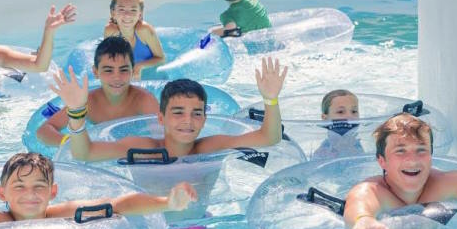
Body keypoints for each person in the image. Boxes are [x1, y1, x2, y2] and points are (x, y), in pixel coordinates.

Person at [50, 56, 287, 161]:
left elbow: (270, 137)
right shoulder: (142, 149)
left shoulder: (209, 148)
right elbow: (84, 153)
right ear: (160, 118)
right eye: (178, 112)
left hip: (200, 227)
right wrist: (76, 112)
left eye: (196, 114)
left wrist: (271, 101)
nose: (188, 120)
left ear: (205, 119)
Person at [0, 152, 198, 229]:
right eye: (19, 187)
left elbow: (119, 204)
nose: (30, 194)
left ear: (53, 192)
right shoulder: (0, 220)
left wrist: (167, 203)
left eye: (39, 186)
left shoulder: (61, 214)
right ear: (2, 193)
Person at [35, 37, 159, 148]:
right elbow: (44, 130)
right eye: (108, 70)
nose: (117, 77)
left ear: (133, 71)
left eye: (124, 70)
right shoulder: (89, 101)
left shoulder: (143, 100)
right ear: (95, 72)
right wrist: (70, 142)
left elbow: (163, 138)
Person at [103, 0, 165, 79]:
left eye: (133, 10)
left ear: (140, 14)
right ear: (113, 13)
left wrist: (139, 66)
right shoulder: (110, 32)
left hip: (155, 78)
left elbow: (161, 59)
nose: (127, 15)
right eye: (121, 9)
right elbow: (108, 59)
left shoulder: (144, 30)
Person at [311, 89, 363, 161]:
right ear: (325, 118)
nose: (350, 116)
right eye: (340, 112)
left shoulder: (357, 145)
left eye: (354, 111)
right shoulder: (323, 151)